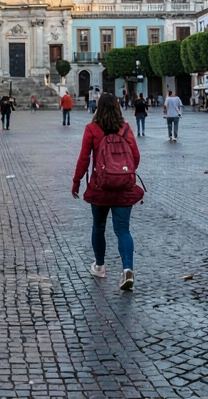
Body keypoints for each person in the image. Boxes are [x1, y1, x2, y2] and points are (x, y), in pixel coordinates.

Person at [71, 93, 142, 291]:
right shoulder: (125, 128)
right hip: (123, 187)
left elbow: (84, 159)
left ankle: (100, 266)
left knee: (99, 226)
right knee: (123, 230)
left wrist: (76, 182)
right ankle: (127, 269)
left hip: (100, 186)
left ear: (98, 107)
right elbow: (135, 157)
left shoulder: (92, 129)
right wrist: (123, 172)